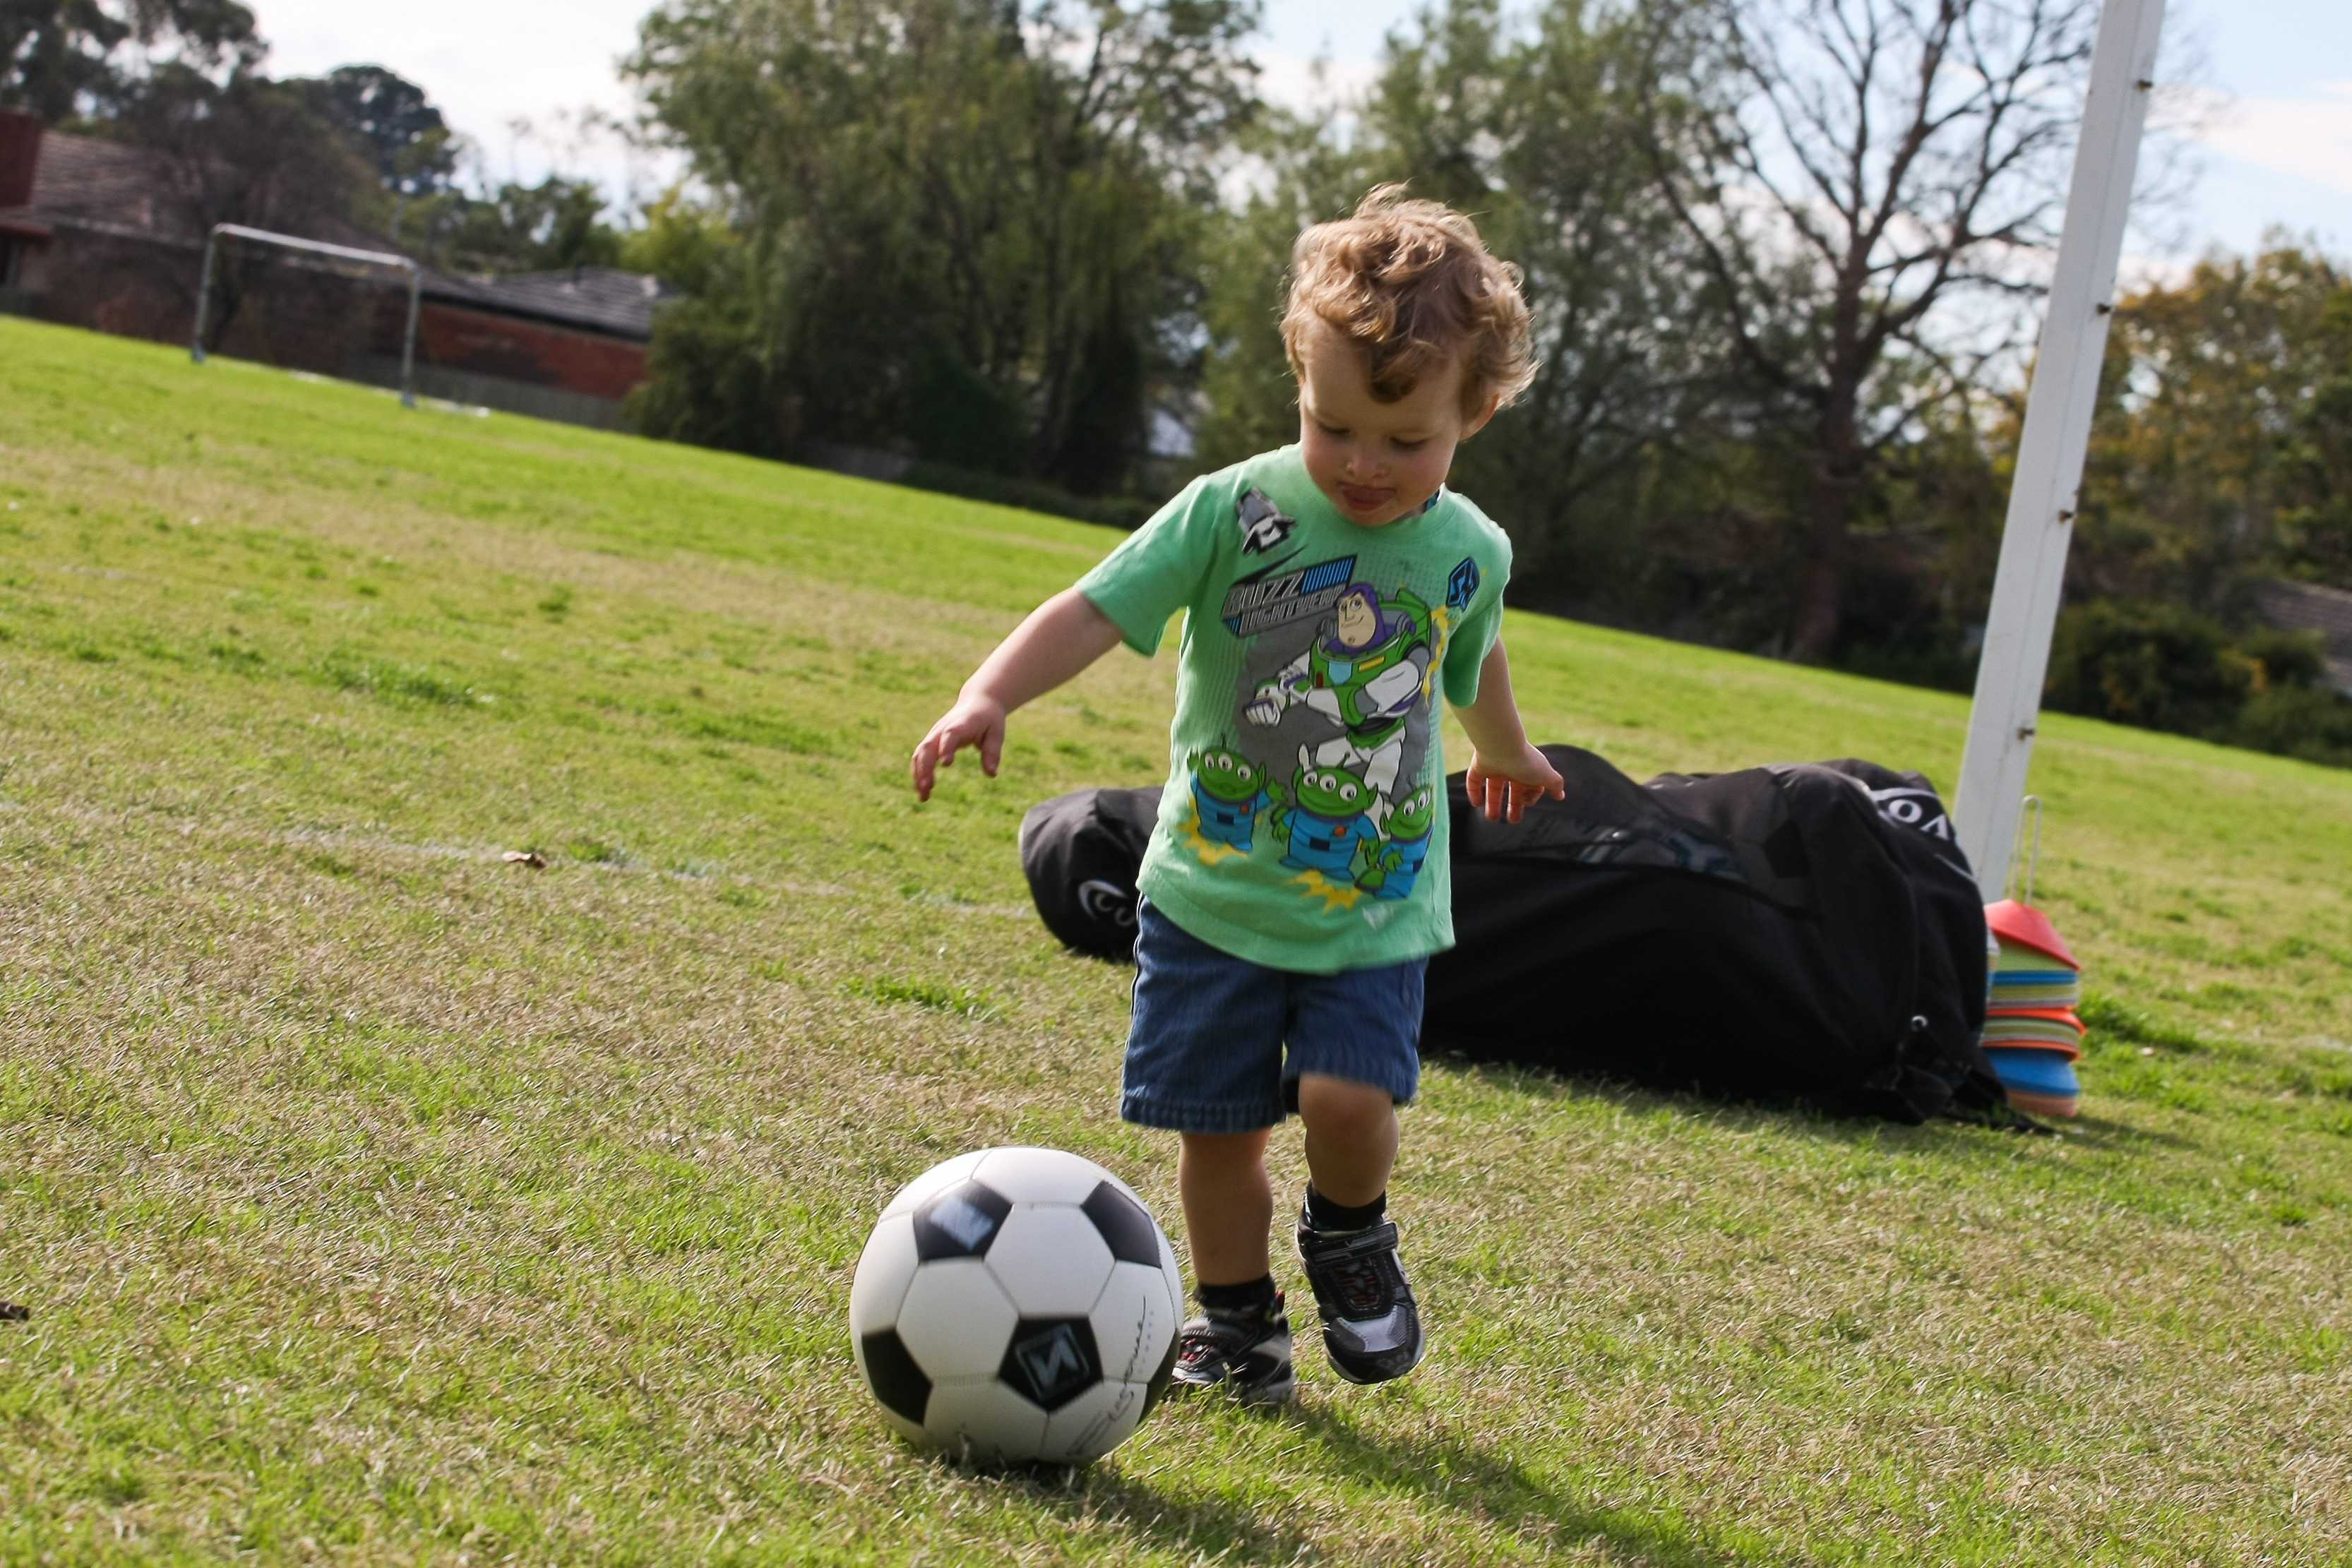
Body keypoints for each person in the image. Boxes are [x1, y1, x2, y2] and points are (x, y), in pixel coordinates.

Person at [910, 186, 1565, 1403]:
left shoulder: (1470, 546)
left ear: (1475, 411)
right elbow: (1093, 608)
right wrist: (989, 693)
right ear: (1298, 382)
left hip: (1375, 899)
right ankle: (1237, 1323)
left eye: (1406, 440)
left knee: (1343, 1093)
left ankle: (1352, 1236)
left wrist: (1506, 749)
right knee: (1218, 1129)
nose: (1366, 465)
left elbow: (1471, 654)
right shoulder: (1234, 511)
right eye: (1335, 427)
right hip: (1209, 892)